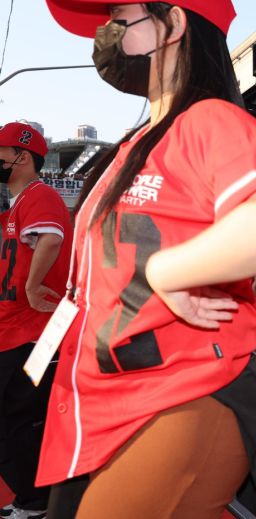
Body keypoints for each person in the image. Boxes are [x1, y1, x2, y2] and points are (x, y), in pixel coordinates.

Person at [39, 2, 256, 518]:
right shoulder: (135, 145)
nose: (106, 33)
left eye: (120, 17)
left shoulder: (209, 119)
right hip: (104, 396)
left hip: (173, 392)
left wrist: (167, 271)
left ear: (174, 23)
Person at [0, 122, 72, 519]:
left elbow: (51, 237)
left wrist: (31, 285)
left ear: (21, 157)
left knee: (22, 417)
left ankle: (36, 501)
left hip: (35, 332)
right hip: (20, 330)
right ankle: (32, 497)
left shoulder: (38, 194)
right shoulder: (20, 202)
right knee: (19, 416)